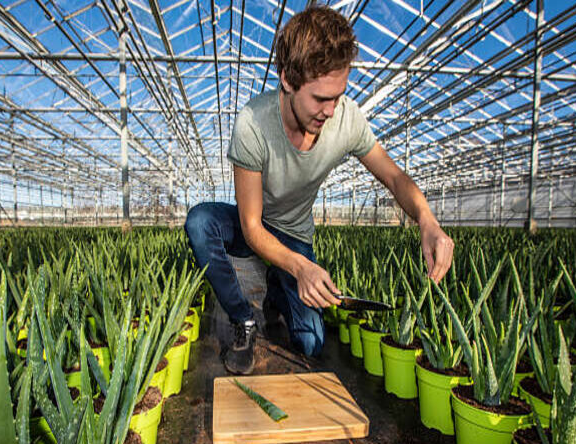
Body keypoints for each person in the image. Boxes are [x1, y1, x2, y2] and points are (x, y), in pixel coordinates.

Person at [185, 6, 453, 375]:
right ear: (287, 80)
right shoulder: (253, 123)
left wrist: (427, 219)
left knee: (311, 343)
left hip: (295, 234)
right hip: (256, 227)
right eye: (320, 98)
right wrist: (301, 269)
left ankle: (279, 290)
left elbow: (394, 177)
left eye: (338, 96)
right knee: (200, 223)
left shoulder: (346, 119)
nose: (330, 110)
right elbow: (250, 227)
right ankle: (244, 319)